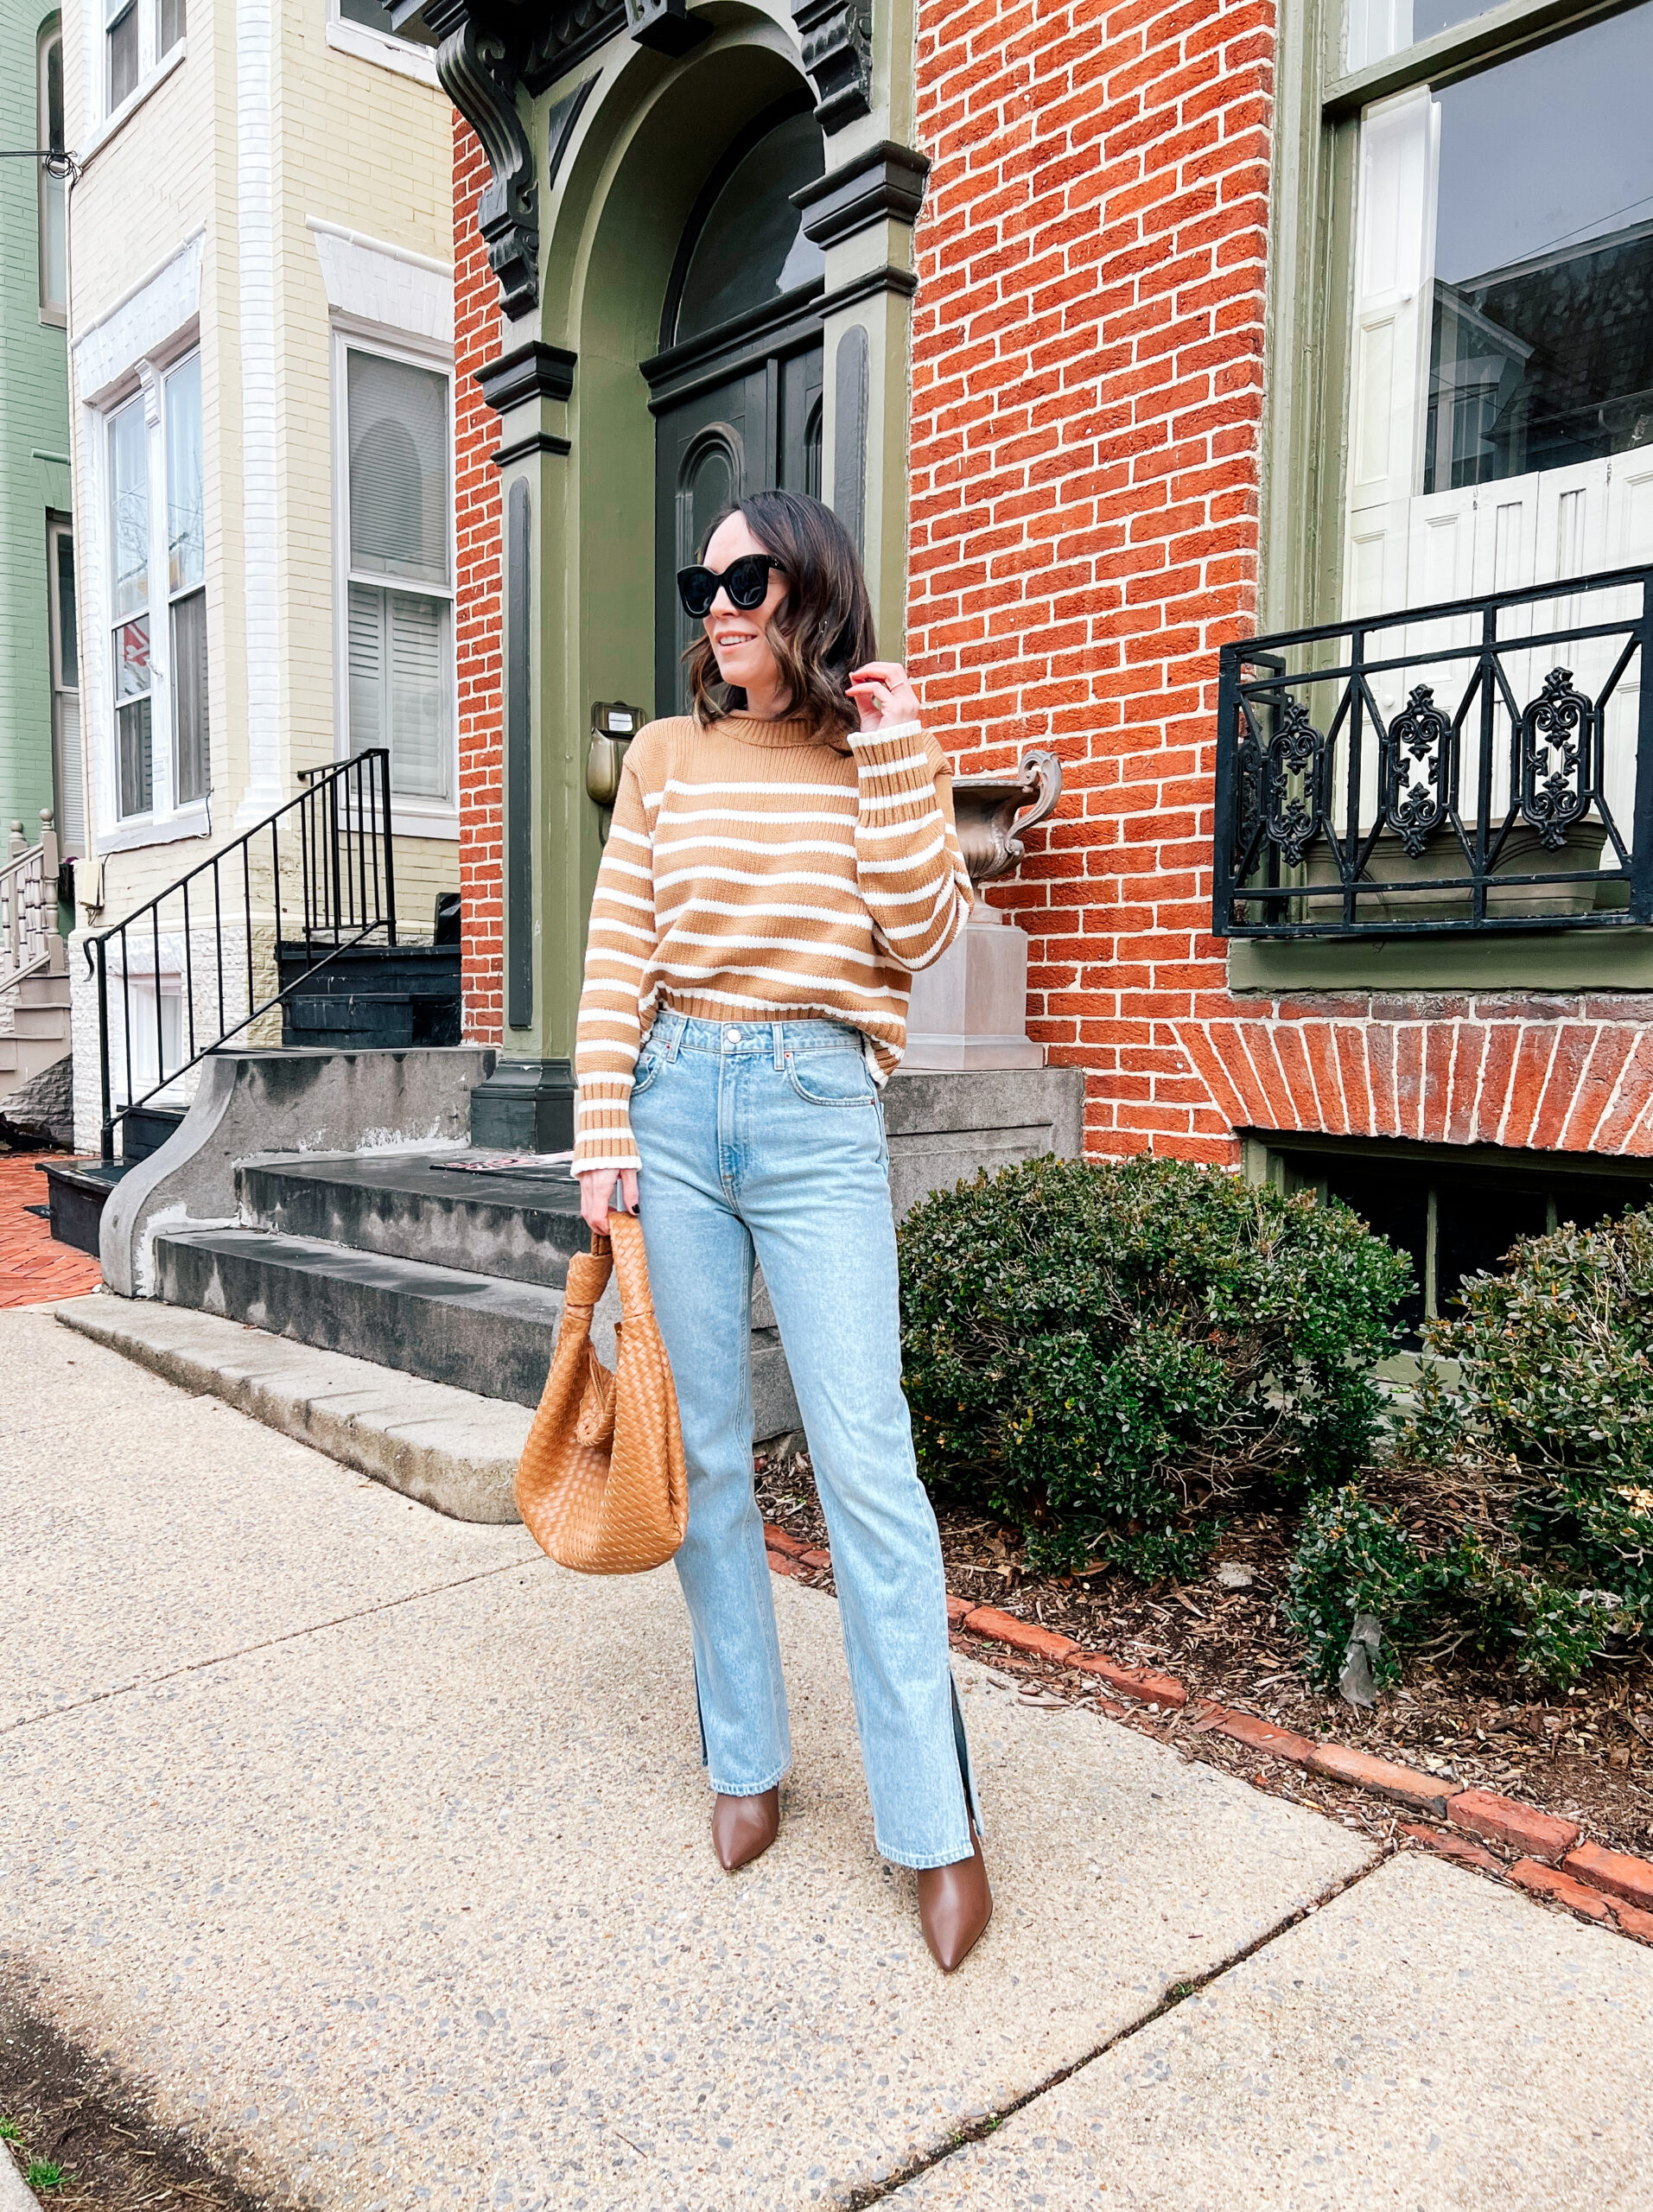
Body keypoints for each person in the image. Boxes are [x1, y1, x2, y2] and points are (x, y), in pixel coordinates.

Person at [572, 489, 991, 1971]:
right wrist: (603, 1130)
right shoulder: (668, 758)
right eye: (705, 577)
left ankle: (933, 1825)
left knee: (865, 1459)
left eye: (748, 576)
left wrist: (898, 753)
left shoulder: (877, 754)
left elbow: (924, 936)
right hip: (676, 1101)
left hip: (818, 1106)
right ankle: (743, 1760)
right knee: (700, 1457)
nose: (719, 601)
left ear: (810, 590)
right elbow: (621, 941)